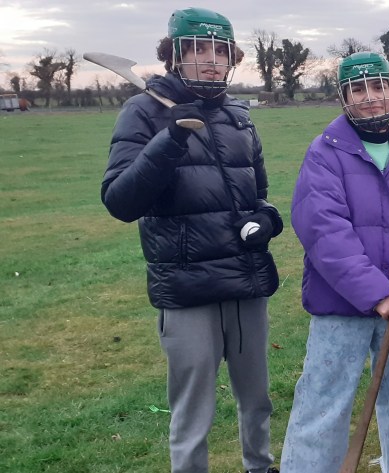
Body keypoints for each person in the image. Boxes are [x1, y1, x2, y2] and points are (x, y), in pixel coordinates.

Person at [100, 8, 282, 473]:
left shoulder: (239, 116)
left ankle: (260, 466)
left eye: (220, 51)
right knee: (193, 412)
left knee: (257, 399)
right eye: (198, 49)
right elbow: (121, 201)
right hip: (187, 287)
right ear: (174, 55)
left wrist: (267, 220)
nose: (210, 60)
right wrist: (171, 139)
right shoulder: (142, 112)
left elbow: (259, 195)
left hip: (244, 280)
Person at [280, 51, 389, 473]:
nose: (370, 97)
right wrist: (377, 294)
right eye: (358, 89)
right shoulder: (324, 154)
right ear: (344, 97)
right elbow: (324, 231)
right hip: (341, 306)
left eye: (378, 86)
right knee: (325, 401)